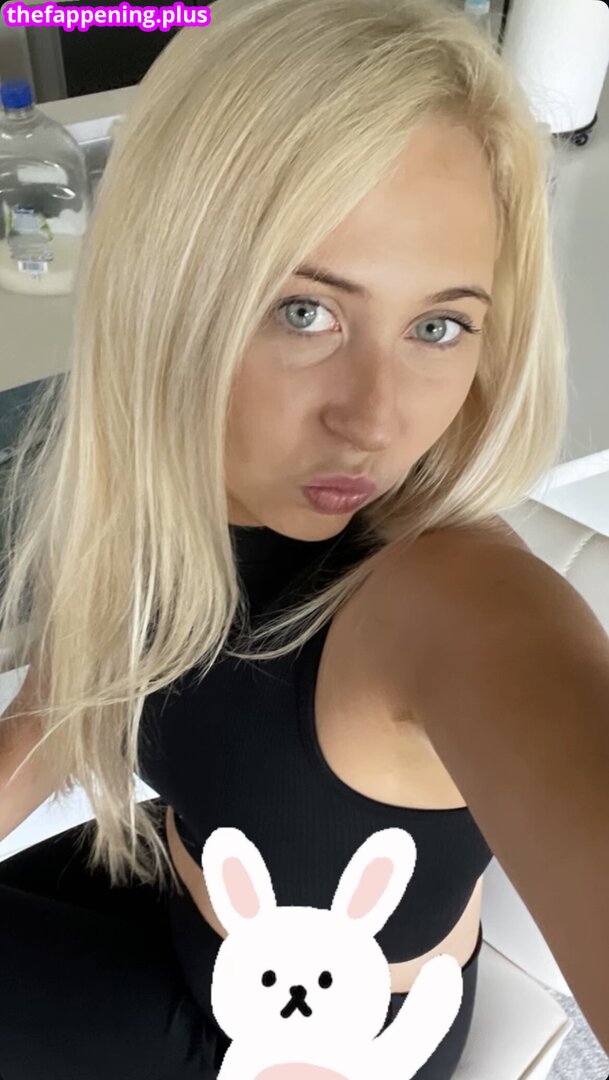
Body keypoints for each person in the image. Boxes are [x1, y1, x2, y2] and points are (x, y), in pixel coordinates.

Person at [1, 0, 608, 1077]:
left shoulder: (451, 599)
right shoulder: (165, 496)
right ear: (168, 297)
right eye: (304, 311)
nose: (374, 421)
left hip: (302, 1046)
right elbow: (58, 705)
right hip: (173, 898)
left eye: (438, 326)